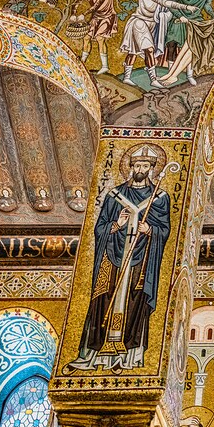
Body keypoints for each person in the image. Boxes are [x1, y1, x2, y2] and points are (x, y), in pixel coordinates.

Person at [61, 145, 171, 375]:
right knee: (102, 298)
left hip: (140, 260)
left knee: (135, 302)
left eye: (145, 166)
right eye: (137, 165)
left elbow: (165, 228)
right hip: (112, 256)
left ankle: (128, 356)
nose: (141, 169)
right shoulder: (115, 196)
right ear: (130, 167)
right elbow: (99, 228)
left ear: (152, 169)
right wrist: (116, 226)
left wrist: (150, 230)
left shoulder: (159, 198)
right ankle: (91, 354)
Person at [119, 0, 198, 88]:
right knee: (147, 50)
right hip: (140, 22)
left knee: (134, 50)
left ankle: (127, 77)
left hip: (154, 24)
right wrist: (186, 7)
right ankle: (152, 79)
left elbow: (170, 6)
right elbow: (165, 3)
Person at [163, 0, 214, 84]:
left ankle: (189, 75)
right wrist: (179, 15)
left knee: (193, 48)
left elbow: (207, 6)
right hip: (179, 19)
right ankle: (170, 73)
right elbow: (171, 5)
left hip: (195, 22)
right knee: (171, 45)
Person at [72, 0, 118, 74]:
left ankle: (105, 66)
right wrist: (73, 13)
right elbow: (77, 2)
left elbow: (96, 6)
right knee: (86, 37)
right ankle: (83, 61)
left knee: (100, 38)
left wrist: (84, 14)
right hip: (95, 18)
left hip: (106, 18)